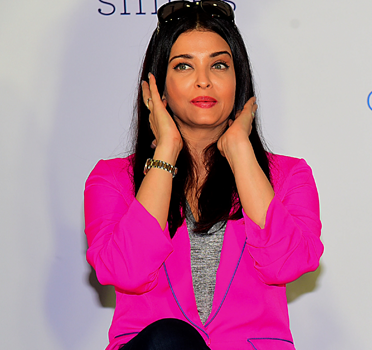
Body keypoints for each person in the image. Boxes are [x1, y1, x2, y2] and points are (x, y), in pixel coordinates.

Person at [84, 1, 323, 349]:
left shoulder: (288, 175)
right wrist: (166, 150)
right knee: (169, 338)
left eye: (219, 65)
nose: (204, 81)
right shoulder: (112, 180)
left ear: (238, 80)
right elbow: (125, 272)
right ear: (156, 89)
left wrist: (241, 152)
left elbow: (286, 266)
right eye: (183, 66)